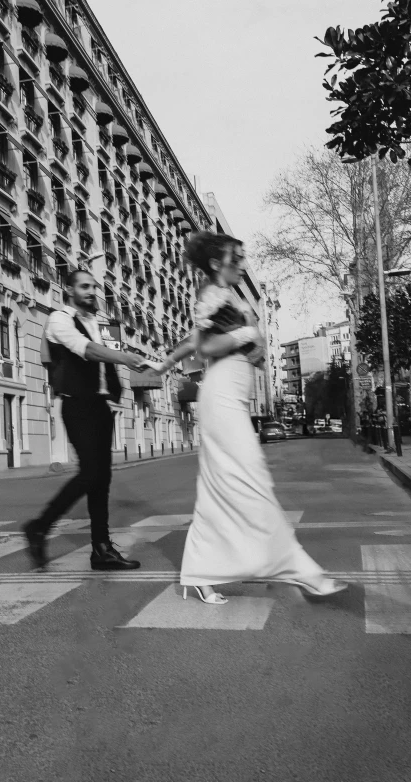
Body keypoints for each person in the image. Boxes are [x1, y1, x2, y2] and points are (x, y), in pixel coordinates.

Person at [154, 232, 348, 604]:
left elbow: (196, 342)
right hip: (223, 395)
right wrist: (246, 332)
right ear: (216, 263)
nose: (243, 264)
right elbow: (208, 345)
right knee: (253, 480)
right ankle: (303, 571)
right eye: (236, 257)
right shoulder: (210, 294)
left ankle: (199, 573)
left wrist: (166, 361)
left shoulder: (224, 295)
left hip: (232, 395)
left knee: (218, 491)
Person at [23, 269, 146, 571]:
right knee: (91, 473)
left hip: (100, 405)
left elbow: (101, 355)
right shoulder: (59, 320)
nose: (92, 291)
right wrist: (125, 358)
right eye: (84, 286)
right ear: (70, 290)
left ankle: (101, 550)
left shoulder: (95, 323)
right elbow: (87, 351)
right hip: (77, 405)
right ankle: (39, 526)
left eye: (94, 287)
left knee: (101, 480)